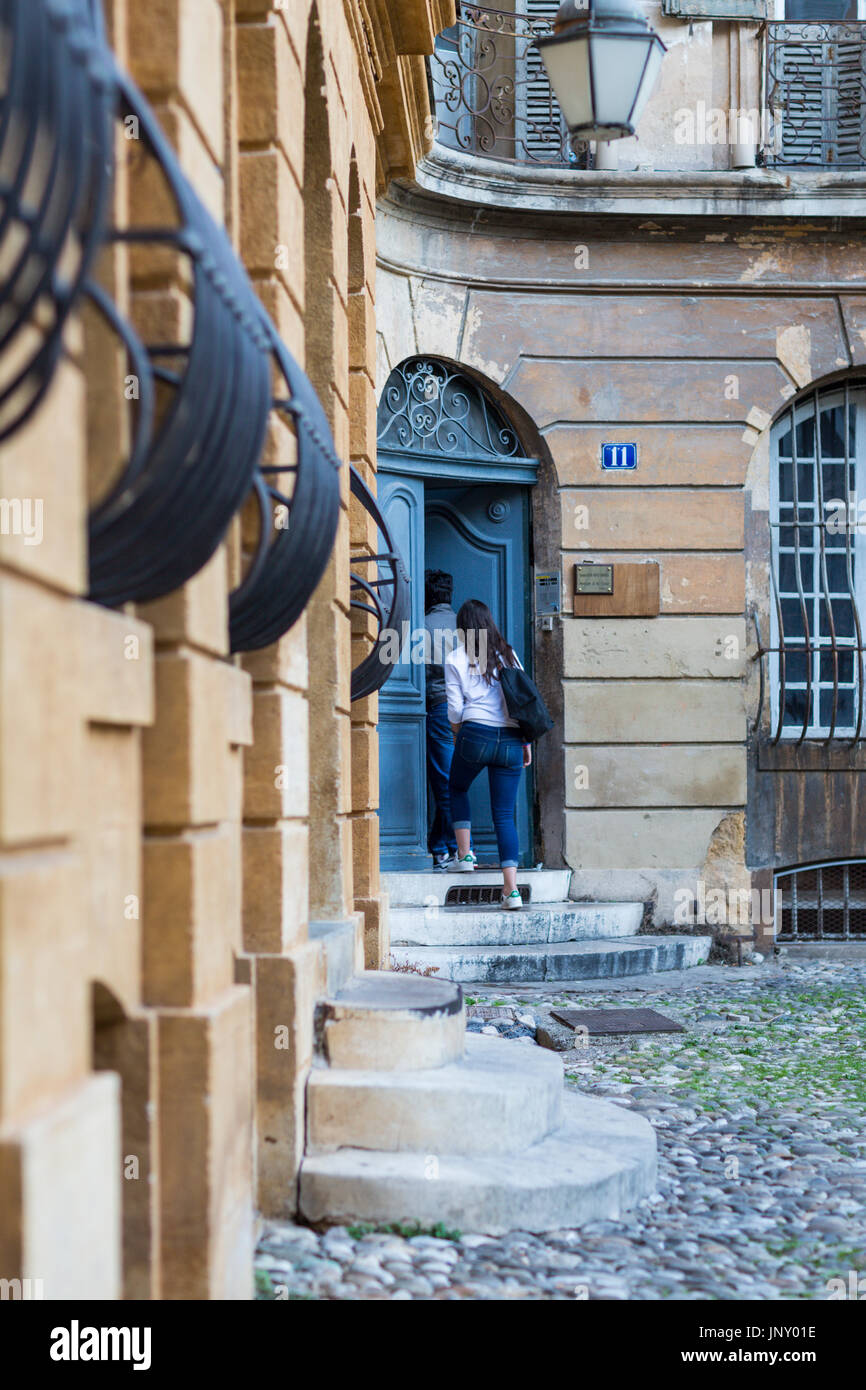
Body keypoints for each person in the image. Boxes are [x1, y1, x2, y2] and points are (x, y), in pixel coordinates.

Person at [444, 598, 531, 909]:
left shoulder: (455, 657)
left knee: (456, 787)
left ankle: (465, 854)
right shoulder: (508, 655)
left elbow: (454, 710)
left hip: (475, 734)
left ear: (462, 627)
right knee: (505, 816)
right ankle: (511, 891)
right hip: (510, 739)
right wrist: (526, 743)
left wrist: (459, 737)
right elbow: (523, 702)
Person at [423, 569, 459, 869]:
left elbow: (416, 674)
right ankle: (444, 844)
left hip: (438, 708)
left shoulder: (423, 626)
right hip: (468, 713)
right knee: (452, 782)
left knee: (445, 783)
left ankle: (453, 847)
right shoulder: (465, 626)